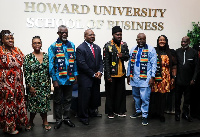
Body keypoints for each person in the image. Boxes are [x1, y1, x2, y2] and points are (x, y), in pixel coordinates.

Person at [48, 25, 78, 129]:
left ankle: (66, 118)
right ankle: (58, 119)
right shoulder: (53, 46)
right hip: (59, 79)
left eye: (66, 32)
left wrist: (76, 74)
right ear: (58, 33)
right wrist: (54, 79)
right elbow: (51, 64)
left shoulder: (72, 45)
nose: (64, 34)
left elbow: (74, 61)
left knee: (68, 99)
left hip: (69, 78)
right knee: (57, 100)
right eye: (62, 32)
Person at [0, 30, 28, 134]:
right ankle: (9, 128)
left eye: (11, 38)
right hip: (5, 84)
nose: (10, 40)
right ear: (2, 40)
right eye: (7, 38)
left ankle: (18, 124)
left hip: (18, 82)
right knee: (9, 104)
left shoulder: (17, 50)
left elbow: (24, 61)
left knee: (19, 102)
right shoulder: (0, 50)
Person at [127, 33, 157, 126]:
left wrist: (152, 77)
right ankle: (138, 111)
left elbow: (154, 64)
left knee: (144, 98)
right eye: (139, 39)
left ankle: (145, 115)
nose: (141, 41)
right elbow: (129, 63)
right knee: (136, 97)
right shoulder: (133, 49)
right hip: (134, 78)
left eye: (143, 39)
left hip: (145, 79)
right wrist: (128, 75)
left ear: (145, 40)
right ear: (136, 40)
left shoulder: (151, 49)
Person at [24, 36, 51, 131]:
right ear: (32, 45)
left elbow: (50, 70)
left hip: (45, 85)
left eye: (38, 43)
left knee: (44, 103)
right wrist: (29, 86)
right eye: (35, 43)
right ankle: (31, 121)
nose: (37, 44)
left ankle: (45, 121)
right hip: (33, 86)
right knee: (32, 105)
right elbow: (26, 73)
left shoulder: (47, 56)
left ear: (41, 44)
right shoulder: (28, 57)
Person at [76, 29, 103, 125]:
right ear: (85, 36)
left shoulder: (97, 48)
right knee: (84, 98)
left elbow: (100, 62)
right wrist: (93, 74)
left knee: (94, 96)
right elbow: (81, 64)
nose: (92, 36)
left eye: (93, 35)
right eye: (90, 35)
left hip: (96, 77)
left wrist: (100, 71)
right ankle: (83, 117)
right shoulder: (80, 48)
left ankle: (92, 112)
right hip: (85, 78)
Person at [149, 35, 177, 122]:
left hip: (166, 77)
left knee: (162, 96)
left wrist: (173, 77)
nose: (162, 41)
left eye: (163, 40)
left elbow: (174, 65)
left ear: (166, 41)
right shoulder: (153, 50)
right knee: (154, 95)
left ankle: (161, 114)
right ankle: (153, 113)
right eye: (160, 40)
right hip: (156, 76)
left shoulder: (170, 52)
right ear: (158, 41)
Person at [103, 26, 129, 119]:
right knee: (110, 94)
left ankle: (120, 111)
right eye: (117, 34)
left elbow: (127, 57)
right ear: (113, 35)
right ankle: (110, 112)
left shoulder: (124, 44)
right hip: (112, 75)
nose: (119, 36)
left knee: (121, 94)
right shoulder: (108, 45)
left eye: (120, 34)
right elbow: (105, 61)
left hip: (121, 74)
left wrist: (123, 55)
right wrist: (108, 75)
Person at [175, 36, 199, 122]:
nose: (183, 43)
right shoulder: (177, 51)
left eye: (185, 42)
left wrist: (194, 79)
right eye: (182, 41)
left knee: (187, 99)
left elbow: (197, 67)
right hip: (178, 80)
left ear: (189, 42)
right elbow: (174, 65)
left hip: (189, 81)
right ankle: (177, 113)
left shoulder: (194, 52)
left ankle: (185, 114)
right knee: (177, 99)